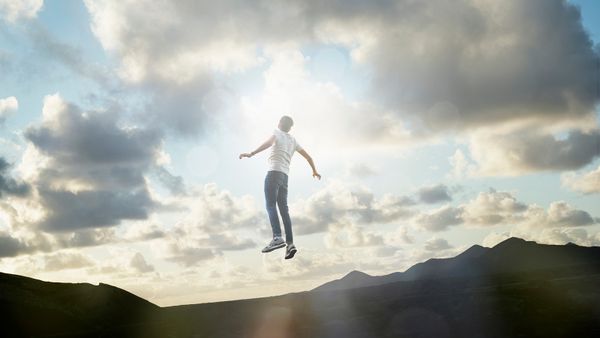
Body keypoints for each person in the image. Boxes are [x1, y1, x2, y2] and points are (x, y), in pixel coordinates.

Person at [239, 116, 321, 259]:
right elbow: (309, 157)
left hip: (273, 173)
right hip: (285, 177)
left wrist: (251, 153)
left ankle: (277, 237)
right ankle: (290, 244)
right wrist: (314, 170)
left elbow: (268, 143)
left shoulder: (276, 133)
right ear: (290, 127)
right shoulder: (293, 140)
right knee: (284, 210)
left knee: (270, 205)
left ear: (280, 123)